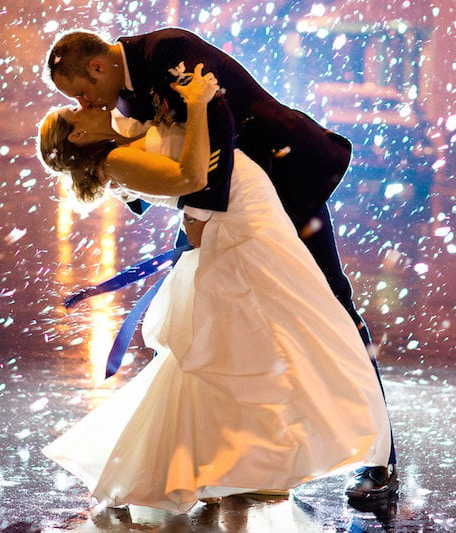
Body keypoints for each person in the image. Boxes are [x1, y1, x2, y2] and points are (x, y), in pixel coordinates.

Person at [45, 27, 398, 502]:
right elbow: (154, 154)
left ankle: (378, 458)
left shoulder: (166, 50)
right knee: (204, 323)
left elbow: (218, 121)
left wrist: (198, 214)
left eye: (83, 93)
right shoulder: (121, 98)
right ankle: (231, 458)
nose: (86, 104)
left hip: (275, 181)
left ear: (96, 67)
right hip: (218, 200)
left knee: (331, 305)